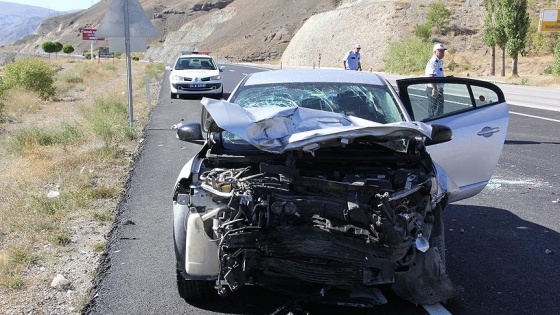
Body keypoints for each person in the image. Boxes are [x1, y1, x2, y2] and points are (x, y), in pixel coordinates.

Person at [425, 43, 447, 117]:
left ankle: (438, 124)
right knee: (433, 110)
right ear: (435, 52)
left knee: (439, 110)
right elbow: (431, 76)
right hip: (433, 88)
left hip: (438, 88)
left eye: (443, 51)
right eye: (440, 51)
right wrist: (435, 89)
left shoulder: (438, 61)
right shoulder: (433, 61)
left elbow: (437, 75)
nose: (442, 53)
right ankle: (431, 125)